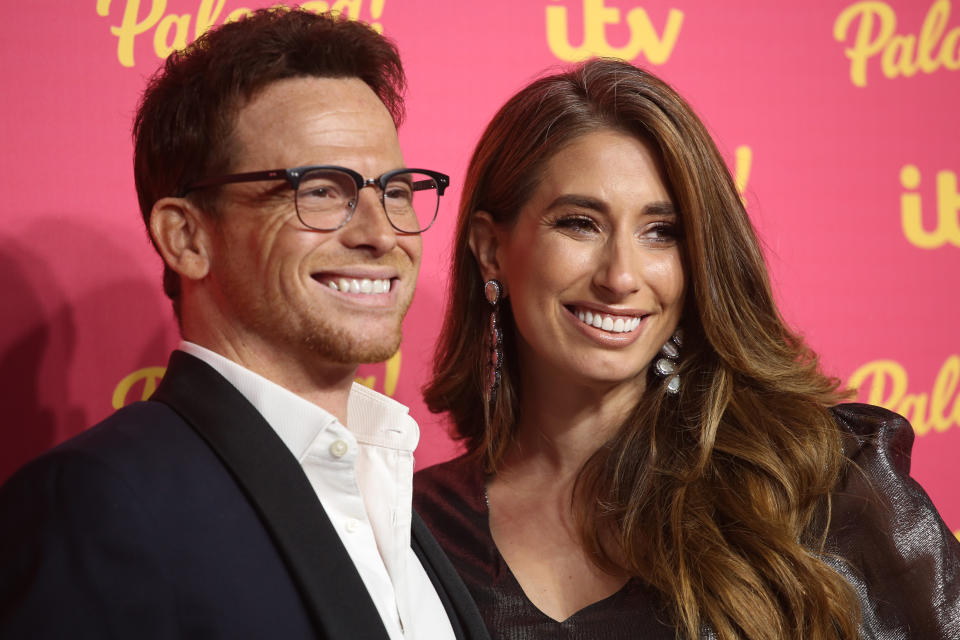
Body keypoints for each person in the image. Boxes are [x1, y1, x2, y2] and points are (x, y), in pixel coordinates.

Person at [413, 58, 960, 640]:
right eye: (579, 223)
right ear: (490, 250)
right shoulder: (409, 528)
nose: (620, 276)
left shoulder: (821, 483)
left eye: (661, 232)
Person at [0, 9, 488, 640]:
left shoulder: (394, 491)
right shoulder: (97, 503)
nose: (380, 232)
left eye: (394, 190)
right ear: (187, 237)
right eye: (320, 189)